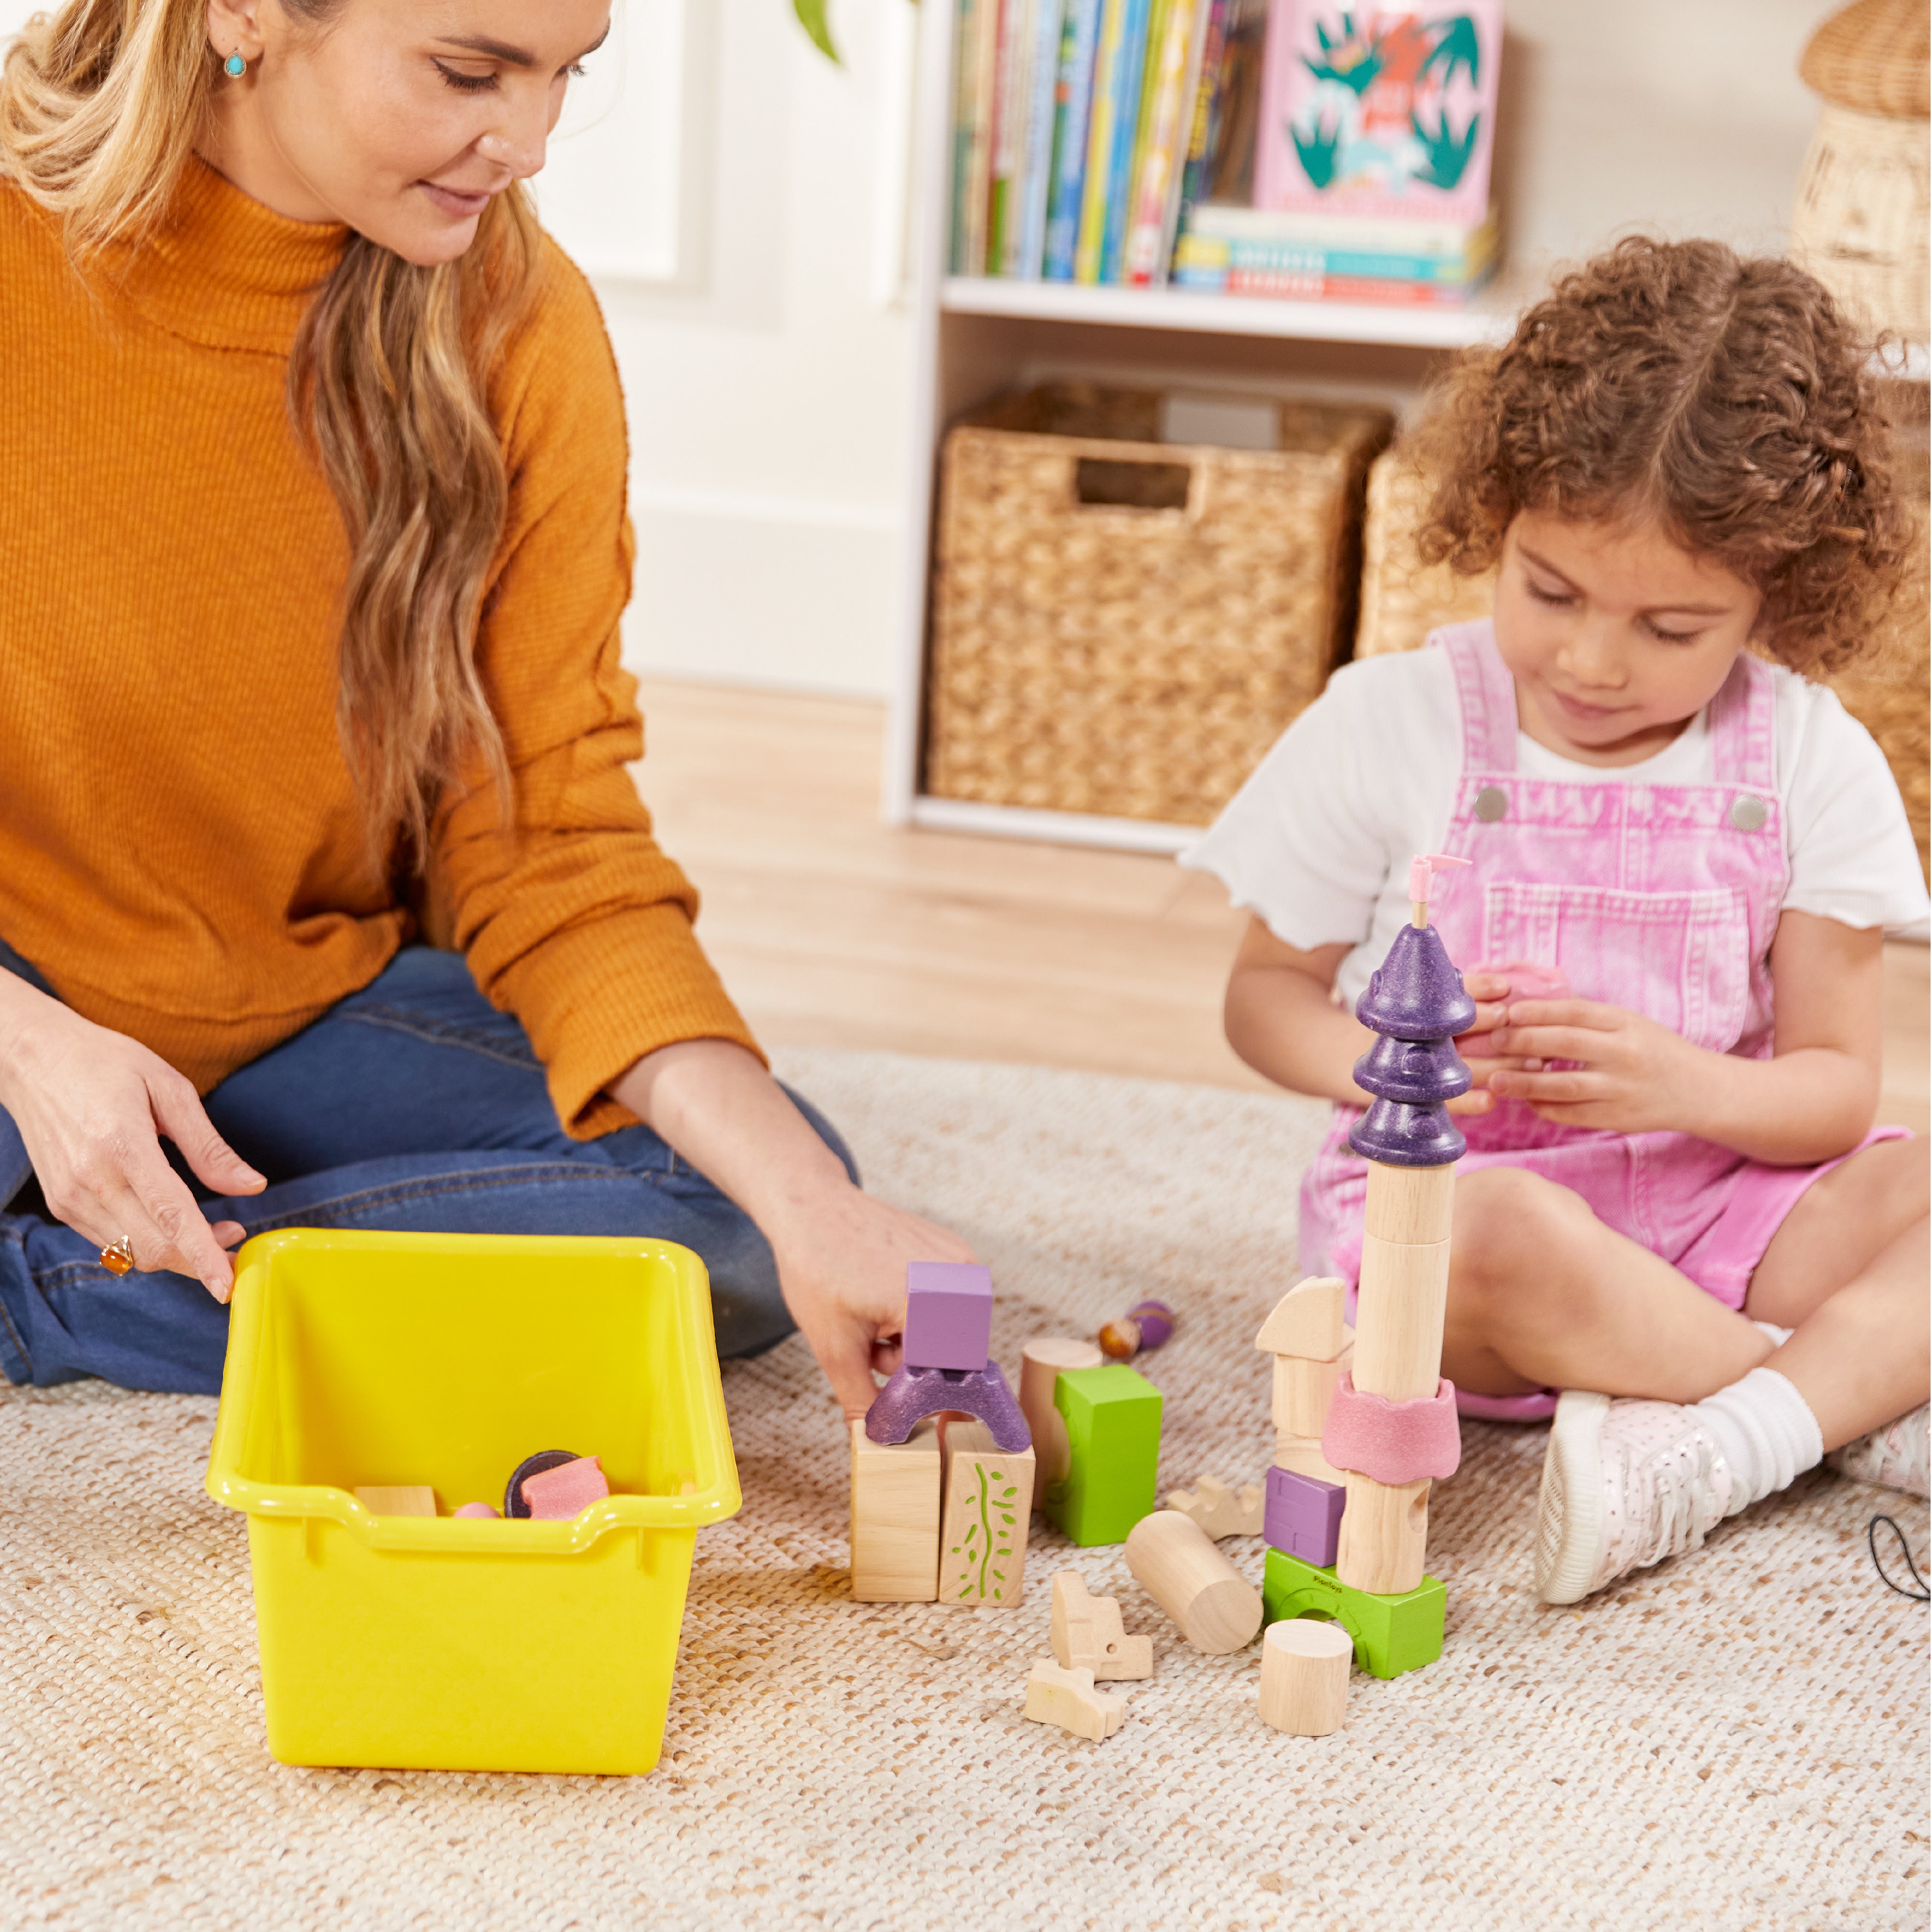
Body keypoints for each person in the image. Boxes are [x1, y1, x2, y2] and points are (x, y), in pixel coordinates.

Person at [0, 0, 970, 1417]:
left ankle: (51, 1286)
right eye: (470, 72)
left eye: (566, 74)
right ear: (248, 17)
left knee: (743, 1224)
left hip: (271, 1002)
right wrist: (32, 1046)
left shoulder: (512, 322)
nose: (526, 142)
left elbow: (548, 836)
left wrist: (810, 1204)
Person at [1184, 238, 1931, 1604]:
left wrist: (1679, 1082)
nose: (1593, 660)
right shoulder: (1395, 724)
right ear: (1497, 521)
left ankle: (1718, 1439)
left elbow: (1834, 1096)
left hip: (1727, 1210)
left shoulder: (1811, 762)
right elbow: (1263, 995)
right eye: (1552, 592)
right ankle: (1819, 1410)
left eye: (1671, 627)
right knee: (1508, 1228)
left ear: (1781, 594)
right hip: (1459, 1231)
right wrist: (1386, 1068)